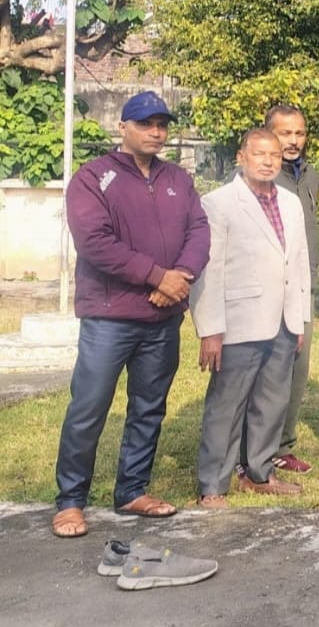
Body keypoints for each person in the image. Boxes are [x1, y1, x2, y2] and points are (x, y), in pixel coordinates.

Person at [52, 91, 210, 538]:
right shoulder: (93, 178)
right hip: (110, 318)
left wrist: (180, 274)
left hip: (163, 319)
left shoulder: (178, 178)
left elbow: (199, 231)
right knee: (89, 406)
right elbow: (95, 243)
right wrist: (157, 276)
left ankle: (132, 489)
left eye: (162, 124)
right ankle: (70, 501)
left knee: (148, 408)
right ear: (123, 128)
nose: (156, 132)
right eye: (146, 124)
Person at [192, 128, 313, 507]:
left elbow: (299, 262)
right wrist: (210, 329)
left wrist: (299, 318)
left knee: (272, 401)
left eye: (274, 155)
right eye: (259, 154)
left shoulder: (291, 202)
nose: (268, 161)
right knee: (227, 405)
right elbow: (208, 271)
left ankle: (259, 472)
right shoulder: (219, 203)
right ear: (241, 157)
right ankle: (213, 484)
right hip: (239, 320)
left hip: (283, 319)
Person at [263, 104, 319, 474]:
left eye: (299, 133)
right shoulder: (259, 175)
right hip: (267, 288)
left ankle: (282, 444)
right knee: (266, 371)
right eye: (286, 133)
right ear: (269, 134)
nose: (294, 141)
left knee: (297, 369)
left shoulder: (310, 174)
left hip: (303, 287)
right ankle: (252, 448)